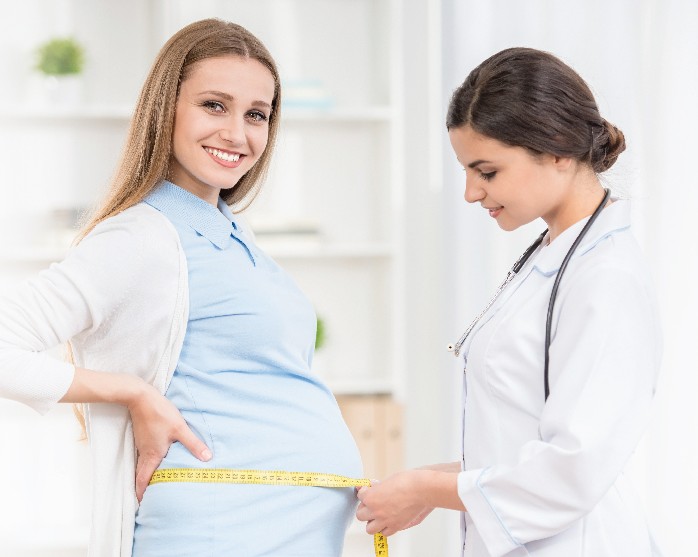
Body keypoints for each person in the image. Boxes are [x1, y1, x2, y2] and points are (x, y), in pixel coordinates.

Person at [0, 18, 362, 557]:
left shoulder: (233, 237)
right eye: (214, 105)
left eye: (256, 114)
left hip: (282, 531)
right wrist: (132, 392)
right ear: (165, 108)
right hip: (219, 532)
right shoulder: (141, 236)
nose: (237, 133)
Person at [355, 47, 662, 556]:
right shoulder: (554, 257)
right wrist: (425, 483)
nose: (471, 193)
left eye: (488, 171)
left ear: (558, 149)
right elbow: (517, 442)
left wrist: (425, 489)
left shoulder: (605, 277)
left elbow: (571, 469)